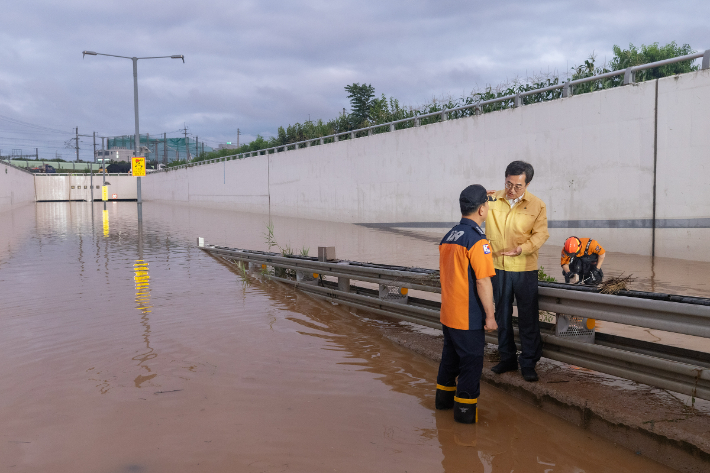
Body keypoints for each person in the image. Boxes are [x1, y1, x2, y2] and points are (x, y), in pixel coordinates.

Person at [435, 184, 498, 424]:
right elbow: (482, 282)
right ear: (482, 209)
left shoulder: (449, 235)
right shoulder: (478, 241)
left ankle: (442, 406)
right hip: (468, 317)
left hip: (449, 315)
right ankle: (464, 421)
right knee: (471, 367)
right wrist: (490, 316)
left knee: (449, 361)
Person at [485, 161, 549, 382]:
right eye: (508, 184)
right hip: (498, 267)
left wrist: (523, 249)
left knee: (528, 318)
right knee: (501, 315)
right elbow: (472, 212)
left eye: (518, 186)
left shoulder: (537, 205)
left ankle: (529, 362)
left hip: (524, 268)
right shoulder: (492, 199)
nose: (512, 190)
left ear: (527, 183)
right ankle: (507, 358)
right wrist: (478, 198)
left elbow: (541, 235)